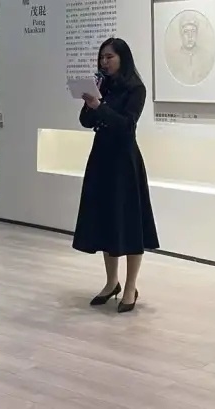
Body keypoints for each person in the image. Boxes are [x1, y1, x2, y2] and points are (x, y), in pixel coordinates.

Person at [72, 37, 159, 314]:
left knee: (129, 223)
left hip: (124, 160)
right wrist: (90, 103)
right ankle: (112, 282)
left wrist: (100, 106)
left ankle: (131, 286)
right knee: (106, 220)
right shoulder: (103, 85)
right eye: (102, 57)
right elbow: (86, 121)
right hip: (102, 158)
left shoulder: (136, 88)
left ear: (123, 58)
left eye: (109, 57)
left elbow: (126, 126)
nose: (104, 62)